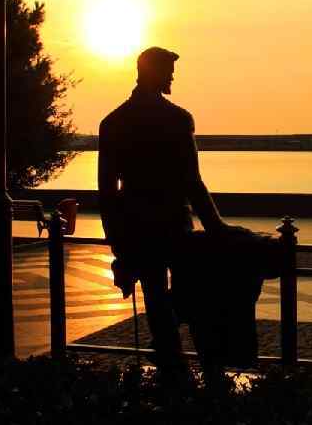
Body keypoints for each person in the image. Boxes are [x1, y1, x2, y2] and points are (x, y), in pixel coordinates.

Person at [98, 46, 233, 377]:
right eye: (168, 70)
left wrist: (117, 243)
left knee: (157, 300)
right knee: (194, 301)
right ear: (152, 72)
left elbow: (107, 193)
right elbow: (193, 182)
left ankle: (172, 368)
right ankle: (203, 372)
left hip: (137, 228)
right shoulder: (178, 119)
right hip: (174, 225)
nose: (173, 76)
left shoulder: (113, 122)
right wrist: (216, 227)